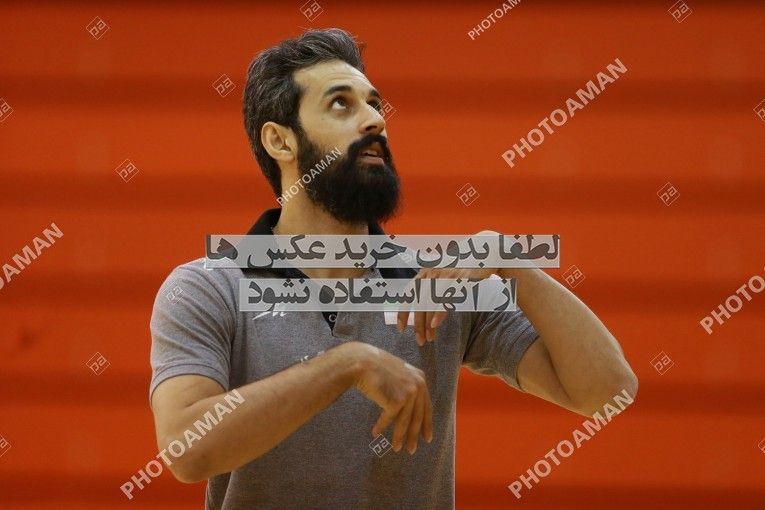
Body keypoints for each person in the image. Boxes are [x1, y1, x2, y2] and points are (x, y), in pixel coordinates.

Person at [149, 27, 637, 510]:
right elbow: (187, 452)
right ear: (280, 141)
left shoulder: (437, 283)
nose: (374, 121)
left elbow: (609, 392)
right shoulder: (207, 286)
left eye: (374, 104)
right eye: (341, 104)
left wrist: (513, 262)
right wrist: (347, 364)